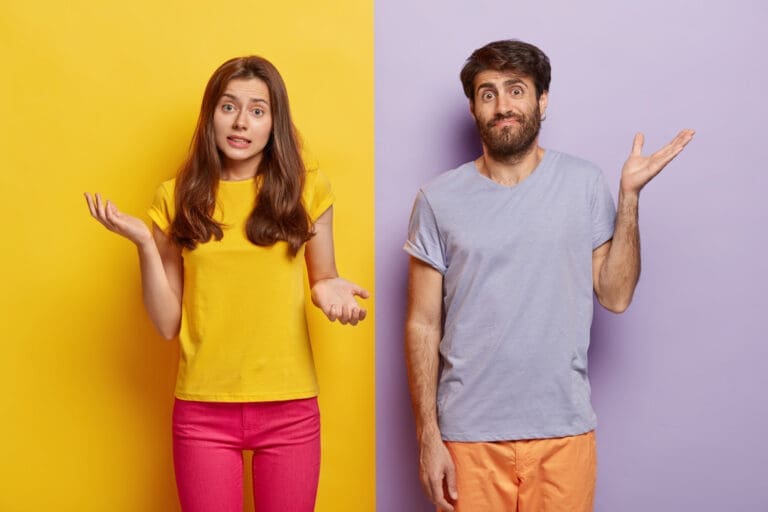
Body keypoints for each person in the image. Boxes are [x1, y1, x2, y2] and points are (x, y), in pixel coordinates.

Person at [404, 40, 694, 512]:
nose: (502, 106)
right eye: (488, 93)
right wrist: (427, 439)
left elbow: (616, 296)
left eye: (516, 90)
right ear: (474, 108)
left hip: (564, 431)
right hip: (469, 438)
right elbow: (421, 322)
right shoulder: (438, 199)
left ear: (542, 100)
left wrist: (629, 199)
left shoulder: (582, 184)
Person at [84, 56, 368, 512]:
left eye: (258, 110)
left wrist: (330, 290)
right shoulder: (175, 197)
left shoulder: (306, 190)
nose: (241, 122)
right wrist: (142, 242)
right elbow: (165, 324)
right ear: (210, 114)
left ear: (275, 122)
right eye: (228, 106)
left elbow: (324, 277)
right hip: (202, 411)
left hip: (290, 407)